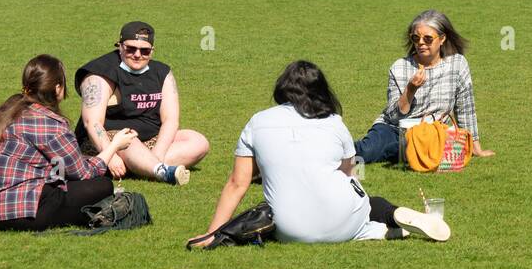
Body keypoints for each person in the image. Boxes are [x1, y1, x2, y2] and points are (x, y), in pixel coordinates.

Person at [189, 61, 451, 247]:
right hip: (344, 218)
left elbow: (237, 183)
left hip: (290, 230)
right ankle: (386, 220)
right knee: (370, 202)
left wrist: (212, 233)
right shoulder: (333, 121)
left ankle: (378, 230)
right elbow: (350, 172)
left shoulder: (258, 121)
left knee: (276, 209)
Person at [0, 55, 137, 231]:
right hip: (10, 213)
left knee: (64, 178)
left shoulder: (7, 110)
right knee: (102, 185)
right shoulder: (48, 123)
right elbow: (84, 173)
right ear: (58, 88)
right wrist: (114, 145)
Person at [73, 21, 209, 185]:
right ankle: (162, 172)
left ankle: (142, 165)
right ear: (120, 46)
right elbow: (92, 122)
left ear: (152, 51)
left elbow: (171, 119)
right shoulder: (100, 73)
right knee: (129, 140)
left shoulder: (162, 72)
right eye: (131, 49)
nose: (137, 55)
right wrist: (111, 155)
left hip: (149, 140)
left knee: (198, 142)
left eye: (144, 51)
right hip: (111, 141)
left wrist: (157, 154)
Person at [353, 9, 494, 164]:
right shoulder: (400, 67)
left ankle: (401, 151)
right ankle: (335, 150)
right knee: (364, 153)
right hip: (394, 130)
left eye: (428, 39)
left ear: (442, 39)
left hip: (432, 134)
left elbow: (465, 108)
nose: (421, 43)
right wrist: (410, 89)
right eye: (416, 38)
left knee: (422, 151)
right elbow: (393, 116)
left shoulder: (457, 65)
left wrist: (475, 148)